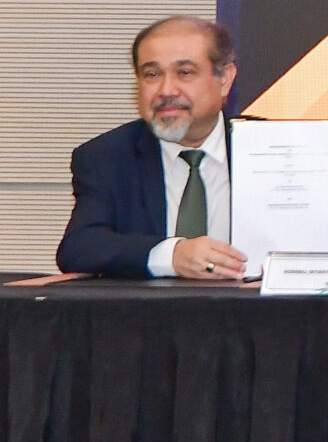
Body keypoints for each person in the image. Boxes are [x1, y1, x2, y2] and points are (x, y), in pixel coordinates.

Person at [59, 17, 245, 280]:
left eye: (185, 73)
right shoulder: (107, 157)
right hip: (149, 307)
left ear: (224, 79)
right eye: (152, 74)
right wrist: (171, 256)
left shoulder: (274, 147)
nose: (166, 90)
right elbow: (79, 248)